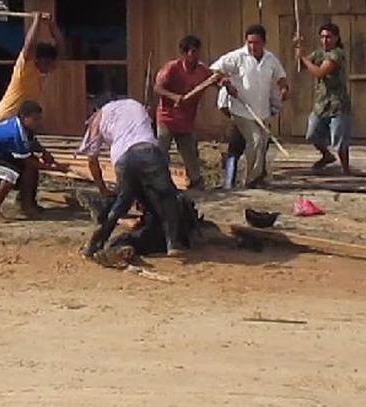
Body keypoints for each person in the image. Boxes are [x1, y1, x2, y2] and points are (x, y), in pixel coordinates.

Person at [78, 98, 187, 258]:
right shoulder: (135, 105)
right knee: (167, 197)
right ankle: (173, 243)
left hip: (123, 158)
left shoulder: (98, 117)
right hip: (149, 151)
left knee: (121, 202)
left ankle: (94, 245)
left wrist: (102, 188)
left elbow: (91, 158)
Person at [207, 24, 288, 188]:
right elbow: (214, 71)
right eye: (250, 42)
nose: (252, 46)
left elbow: (281, 77)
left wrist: (284, 88)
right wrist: (224, 83)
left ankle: (257, 176)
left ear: (263, 43)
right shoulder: (237, 56)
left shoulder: (270, 59)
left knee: (262, 144)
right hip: (241, 109)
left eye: (256, 43)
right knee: (255, 141)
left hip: (262, 111)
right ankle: (250, 180)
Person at [0, 100, 64, 223]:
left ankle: (27, 204)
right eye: (35, 119)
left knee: (29, 169)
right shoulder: (14, 133)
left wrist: (47, 155)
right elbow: (27, 160)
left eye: (39, 118)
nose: (38, 122)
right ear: (24, 117)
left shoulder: (24, 127)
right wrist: (55, 169)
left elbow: (33, 144)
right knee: (10, 175)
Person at [153, 35, 212, 189]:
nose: (196, 54)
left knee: (190, 152)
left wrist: (225, 84)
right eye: (193, 51)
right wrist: (174, 97)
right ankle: (159, 183)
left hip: (186, 120)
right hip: (167, 118)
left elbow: (213, 80)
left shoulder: (202, 70)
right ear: (185, 53)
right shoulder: (171, 68)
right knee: (162, 153)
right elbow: (157, 88)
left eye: (197, 51)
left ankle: (195, 181)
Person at [296, 23, 352, 175]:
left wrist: (303, 58)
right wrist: (299, 48)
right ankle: (327, 156)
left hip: (338, 103)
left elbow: (320, 72)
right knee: (312, 134)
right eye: (322, 37)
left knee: (339, 140)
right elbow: (302, 65)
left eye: (328, 37)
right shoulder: (319, 53)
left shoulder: (337, 54)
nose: (325, 40)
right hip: (322, 103)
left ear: (336, 38)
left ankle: (345, 170)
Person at [0, 12, 64, 123]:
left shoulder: (45, 70)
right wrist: (36, 21)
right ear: (39, 60)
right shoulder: (25, 68)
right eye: (48, 63)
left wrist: (51, 24)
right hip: (3, 120)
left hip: (19, 121)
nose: (51, 67)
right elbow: (29, 46)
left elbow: (61, 46)